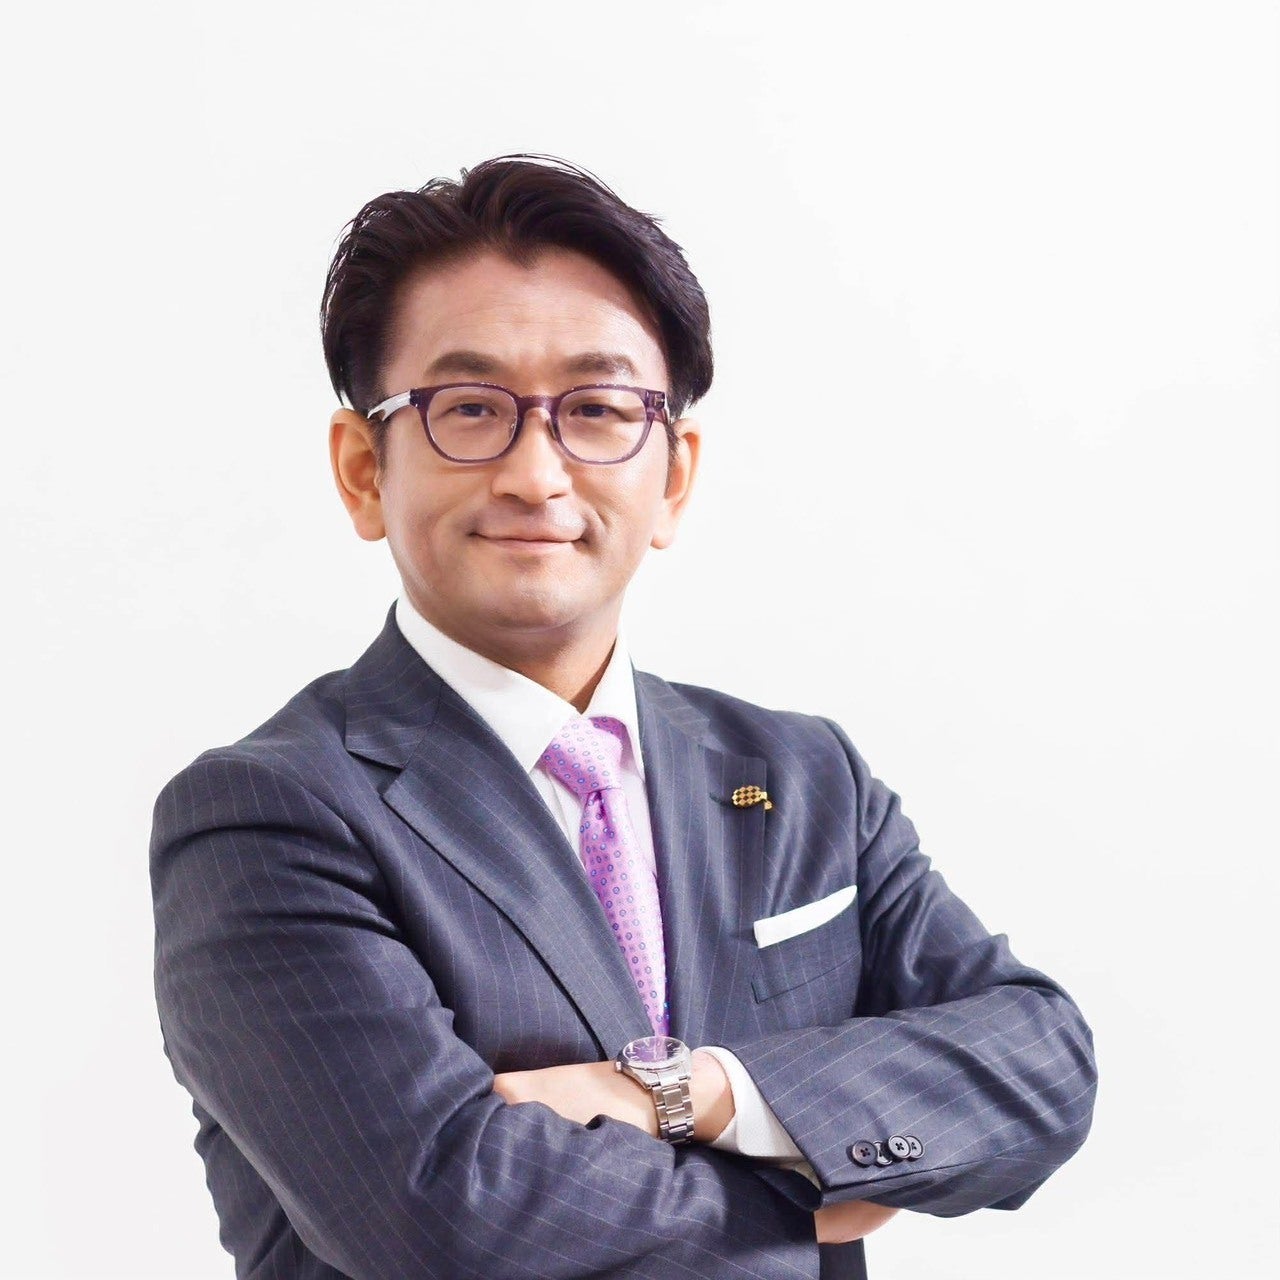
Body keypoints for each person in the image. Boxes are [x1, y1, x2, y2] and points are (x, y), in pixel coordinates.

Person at [151, 155, 1096, 1280]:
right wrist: (818, 1193)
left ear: (673, 478)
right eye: (469, 410)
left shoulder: (802, 776)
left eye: (597, 410)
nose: (535, 473)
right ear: (363, 470)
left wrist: (697, 1093)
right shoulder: (267, 815)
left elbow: (1039, 1061)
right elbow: (444, 1217)